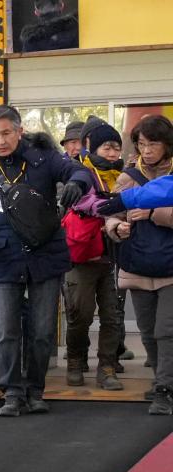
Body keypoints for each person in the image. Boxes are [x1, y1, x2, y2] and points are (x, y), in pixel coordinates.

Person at [0, 104, 91, 417]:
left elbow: (79, 170)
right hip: (5, 256)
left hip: (46, 253)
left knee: (43, 330)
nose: (0, 141)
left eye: (6, 133)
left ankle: (35, 390)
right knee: (5, 329)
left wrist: (77, 184)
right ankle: (12, 393)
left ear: (19, 130)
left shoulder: (44, 159)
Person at [100, 114, 173, 415]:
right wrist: (117, 228)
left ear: (167, 145)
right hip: (138, 264)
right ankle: (161, 381)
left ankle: (165, 389)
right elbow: (110, 217)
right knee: (146, 330)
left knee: (166, 330)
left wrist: (154, 213)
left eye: (153, 143)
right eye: (142, 144)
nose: (147, 150)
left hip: (171, 268)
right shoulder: (128, 175)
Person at [62, 120, 126, 390]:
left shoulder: (124, 175)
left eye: (116, 148)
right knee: (81, 315)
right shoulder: (78, 173)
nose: (112, 153)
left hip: (112, 257)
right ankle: (76, 361)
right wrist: (117, 204)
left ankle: (107, 367)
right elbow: (82, 202)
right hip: (82, 256)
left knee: (112, 317)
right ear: (91, 146)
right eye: (107, 147)